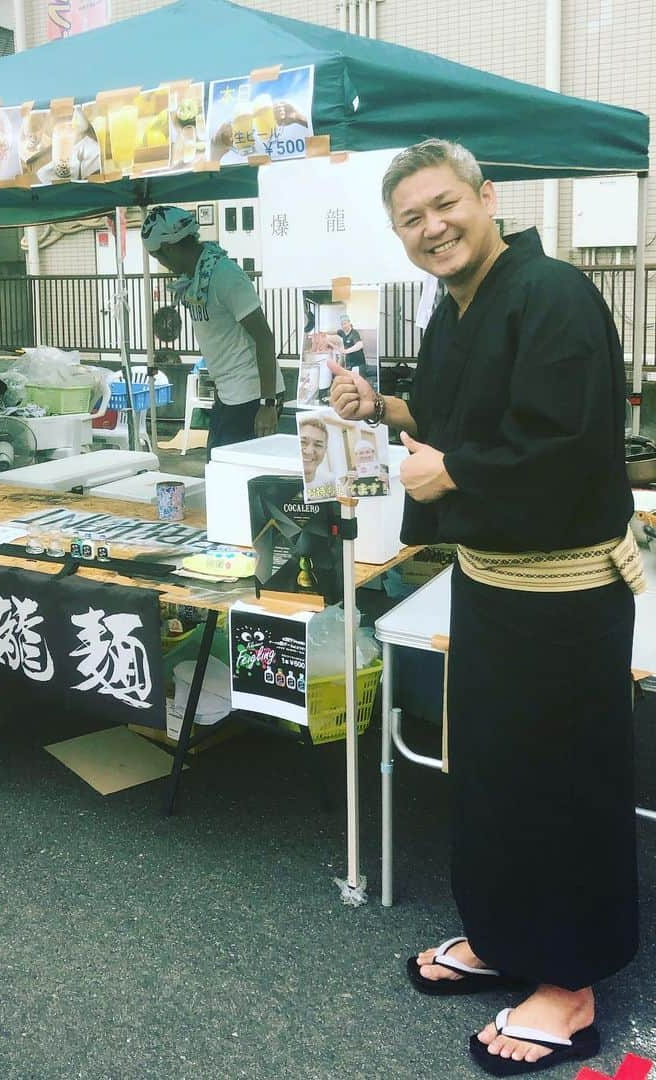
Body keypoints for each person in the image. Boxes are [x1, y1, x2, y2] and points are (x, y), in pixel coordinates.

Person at [329, 139, 641, 1075]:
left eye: (442, 205)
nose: (432, 229)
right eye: (411, 220)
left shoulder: (554, 296)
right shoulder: (457, 307)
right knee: (495, 773)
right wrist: (383, 410)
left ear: (485, 195)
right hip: (492, 581)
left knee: (560, 783)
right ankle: (506, 938)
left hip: (566, 590)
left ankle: (571, 983)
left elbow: (565, 445)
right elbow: (457, 413)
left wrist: (452, 469)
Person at [141, 206, 284, 458]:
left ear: (171, 247)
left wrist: (268, 403)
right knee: (216, 465)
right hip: (228, 390)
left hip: (252, 393)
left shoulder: (225, 276)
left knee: (232, 473)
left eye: (160, 257)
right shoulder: (196, 277)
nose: (162, 264)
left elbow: (264, 337)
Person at [337, 315, 369, 382]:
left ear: (349, 323)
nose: (344, 326)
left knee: (360, 383)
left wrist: (346, 351)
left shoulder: (354, 333)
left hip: (358, 364)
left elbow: (360, 345)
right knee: (351, 383)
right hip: (350, 365)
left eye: (345, 323)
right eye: (342, 324)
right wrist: (324, 334)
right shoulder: (342, 332)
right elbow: (334, 332)